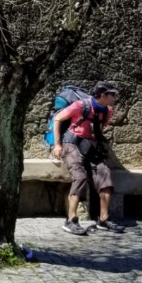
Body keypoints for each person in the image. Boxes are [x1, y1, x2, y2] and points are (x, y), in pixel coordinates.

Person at [52, 81, 124, 235]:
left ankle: (103, 219)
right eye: (112, 95)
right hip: (71, 144)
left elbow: (97, 131)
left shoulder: (108, 111)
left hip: (90, 146)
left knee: (105, 174)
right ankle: (71, 220)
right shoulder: (80, 106)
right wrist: (57, 145)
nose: (115, 98)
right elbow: (58, 119)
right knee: (80, 176)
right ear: (103, 96)